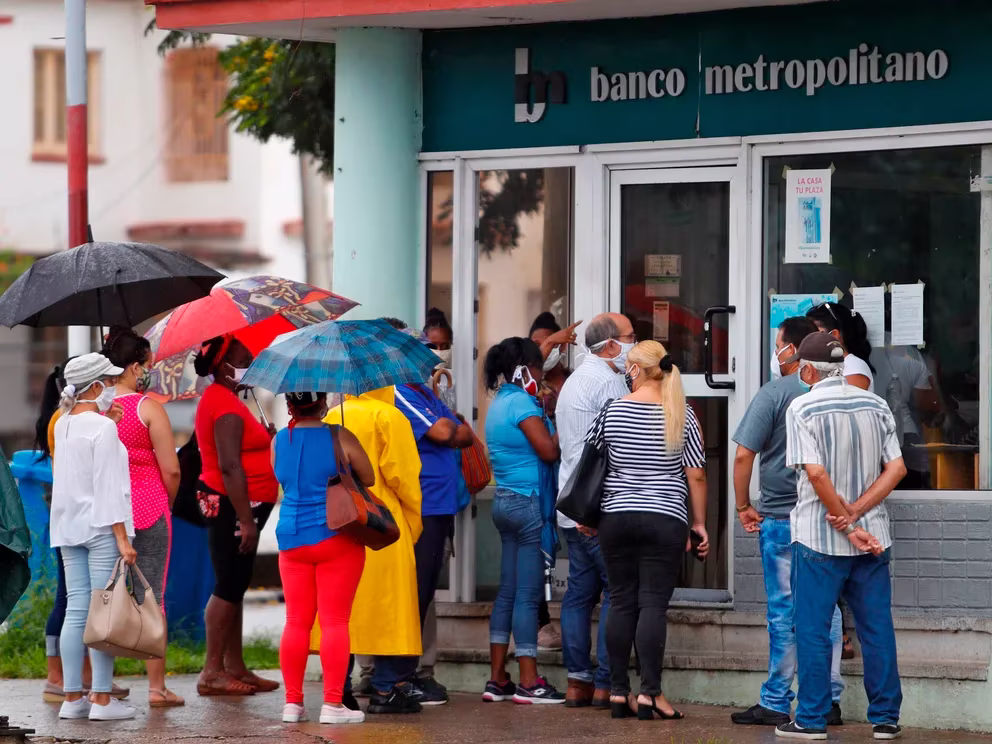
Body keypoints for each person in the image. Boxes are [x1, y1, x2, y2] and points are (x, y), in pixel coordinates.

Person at [776, 332, 906, 741]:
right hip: (873, 536)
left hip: (819, 537)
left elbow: (815, 473)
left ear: (809, 370)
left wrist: (846, 521)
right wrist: (858, 513)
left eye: (800, 367)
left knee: (813, 629)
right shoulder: (877, 403)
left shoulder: (803, 406)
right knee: (876, 628)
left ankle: (811, 720)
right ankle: (885, 719)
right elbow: (897, 469)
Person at [730, 316, 846, 727]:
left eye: (778, 345)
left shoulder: (776, 393)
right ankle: (828, 700)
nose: (775, 354)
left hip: (781, 518)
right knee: (826, 611)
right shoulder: (842, 396)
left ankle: (778, 700)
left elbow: (744, 454)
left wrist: (743, 504)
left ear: (792, 350)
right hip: (829, 518)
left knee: (784, 613)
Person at [587, 340, 708, 721]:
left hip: (616, 517)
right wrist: (699, 523)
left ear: (637, 370)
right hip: (664, 517)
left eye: (628, 365)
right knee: (653, 603)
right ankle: (650, 694)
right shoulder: (682, 415)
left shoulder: (612, 411)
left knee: (621, 600)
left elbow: (592, 461)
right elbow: (697, 475)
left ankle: (619, 692)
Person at [320, 388, 425, 715]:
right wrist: (412, 523)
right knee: (391, 608)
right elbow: (404, 479)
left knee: (341, 612)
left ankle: (341, 688)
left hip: (340, 522)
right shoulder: (390, 417)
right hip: (381, 522)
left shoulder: (329, 418)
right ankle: (386, 687)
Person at [387, 316, 474, 706]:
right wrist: (456, 429)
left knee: (423, 593)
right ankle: (398, 676)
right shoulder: (400, 391)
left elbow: (461, 427)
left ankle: (407, 673)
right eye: (420, 346)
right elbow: (447, 432)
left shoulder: (425, 389)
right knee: (413, 591)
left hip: (439, 503)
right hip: (420, 505)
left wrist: (457, 428)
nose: (429, 353)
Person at [273, 392, 371, 725]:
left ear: (290, 405)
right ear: (323, 403)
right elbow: (368, 477)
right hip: (335, 535)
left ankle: (292, 704)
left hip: (291, 538)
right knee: (335, 621)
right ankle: (332, 704)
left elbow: (283, 479)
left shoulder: (278, 441)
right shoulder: (339, 435)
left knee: (296, 621)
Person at [35, 359, 130, 704]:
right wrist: (122, 537)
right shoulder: (101, 428)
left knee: (76, 610)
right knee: (102, 610)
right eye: (108, 380)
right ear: (94, 386)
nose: (112, 386)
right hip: (101, 526)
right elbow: (106, 485)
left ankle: (73, 700)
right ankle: (102, 699)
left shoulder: (62, 423)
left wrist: (110, 426)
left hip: (68, 526)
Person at [102, 326, 184, 708]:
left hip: (106, 514)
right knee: (153, 597)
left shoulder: (98, 410)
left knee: (101, 596)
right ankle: (156, 688)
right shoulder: (147, 407)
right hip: (149, 508)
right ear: (136, 367)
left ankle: (98, 685)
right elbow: (172, 470)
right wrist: (165, 503)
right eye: (147, 364)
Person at [553, 312, 633, 708]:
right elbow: (622, 445)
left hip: (571, 503)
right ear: (613, 345)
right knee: (617, 594)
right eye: (631, 337)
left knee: (580, 594)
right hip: (601, 507)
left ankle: (576, 681)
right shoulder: (610, 382)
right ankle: (605, 683)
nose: (635, 343)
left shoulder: (572, 382)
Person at [193, 335, 280, 697]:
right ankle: (211, 672)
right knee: (228, 585)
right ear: (223, 365)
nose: (251, 364)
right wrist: (245, 520)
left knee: (236, 585)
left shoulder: (232, 399)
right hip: (231, 503)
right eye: (245, 358)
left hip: (243, 504)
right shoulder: (224, 405)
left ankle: (235, 666)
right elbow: (230, 467)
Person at [482, 337, 565, 704]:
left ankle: (497, 678)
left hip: (504, 503)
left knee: (508, 592)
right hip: (528, 505)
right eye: (536, 369)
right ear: (523, 370)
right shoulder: (521, 404)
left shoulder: (500, 401)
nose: (540, 375)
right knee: (528, 596)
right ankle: (529, 680)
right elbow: (548, 451)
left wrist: (547, 344)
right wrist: (567, 420)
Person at [527, 311, 574, 652]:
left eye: (550, 342)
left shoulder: (576, 382)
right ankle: (541, 622)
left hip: (573, 480)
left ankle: (577, 615)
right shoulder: (529, 393)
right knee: (538, 551)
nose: (544, 350)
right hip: (541, 482)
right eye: (537, 345)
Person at [806, 302, 874, 392]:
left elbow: (844, 403)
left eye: (813, 334)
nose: (808, 340)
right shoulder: (825, 366)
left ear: (834, 335)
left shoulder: (854, 366)